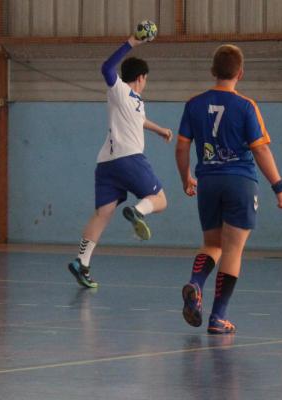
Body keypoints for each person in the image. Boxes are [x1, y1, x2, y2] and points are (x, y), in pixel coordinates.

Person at [176, 44, 282, 334]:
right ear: (240, 73)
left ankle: (195, 282)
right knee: (233, 249)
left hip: (209, 182)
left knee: (212, 243)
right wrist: (279, 187)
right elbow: (261, 151)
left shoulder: (194, 104)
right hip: (239, 181)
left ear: (212, 71)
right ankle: (218, 318)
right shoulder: (246, 106)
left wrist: (186, 177)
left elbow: (181, 147)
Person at [67, 35, 174, 289]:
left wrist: (159, 130)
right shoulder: (120, 89)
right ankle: (138, 211)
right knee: (160, 201)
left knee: (102, 214)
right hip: (129, 158)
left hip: (107, 164)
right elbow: (106, 68)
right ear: (141, 78)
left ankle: (81, 263)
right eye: (146, 78)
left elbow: (139, 121)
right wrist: (131, 42)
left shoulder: (137, 101)